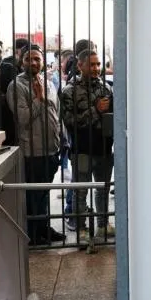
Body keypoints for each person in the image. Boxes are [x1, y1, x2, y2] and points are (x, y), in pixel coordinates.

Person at [9, 47, 66, 245]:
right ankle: (33, 234)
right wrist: (38, 98)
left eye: (36, 59)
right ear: (21, 61)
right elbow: (23, 118)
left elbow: (56, 114)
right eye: (28, 59)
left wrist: (62, 140)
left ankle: (43, 228)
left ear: (42, 62)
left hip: (52, 147)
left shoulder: (48, 83)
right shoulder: (16, 86)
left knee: (43, 193)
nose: (32, 63)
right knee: (33, 194)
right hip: (32, 151)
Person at [61, 51, 114, 240]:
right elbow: (69, 122)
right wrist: (95, 110)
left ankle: (103, 224)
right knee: (80, 191)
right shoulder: (70, 91)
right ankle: (81, 228)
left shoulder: (106, 88)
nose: (96, 69)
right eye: (91, 65)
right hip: (82, 149)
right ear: (80, 66)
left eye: (98, 64)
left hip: (104, 148)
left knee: (103, 189)